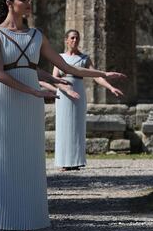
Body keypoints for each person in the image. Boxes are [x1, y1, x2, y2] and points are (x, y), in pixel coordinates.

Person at [0, 0, 126, 231]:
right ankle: (7, 219)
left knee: (29, 160)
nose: (27, 3)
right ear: (9, 2)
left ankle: (27, 219)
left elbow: (67, 67)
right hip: (7, 100)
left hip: (31, 100)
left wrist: (102, 73)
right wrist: (35, 92)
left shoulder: (37, 36)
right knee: (6, 158)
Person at [53, 29, 124, 171]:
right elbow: (54, 78)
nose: (75, 41)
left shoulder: (84, 58)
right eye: (72, 38)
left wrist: (110, 87)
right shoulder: (59, 58)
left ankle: (75, 160)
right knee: (63, 126)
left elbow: (96, 76)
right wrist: (65, 89)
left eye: (77, 38)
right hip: (64, 94)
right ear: (66, 40)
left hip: (78, 92)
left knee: (77, 127)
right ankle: (64, 161)